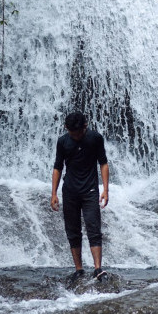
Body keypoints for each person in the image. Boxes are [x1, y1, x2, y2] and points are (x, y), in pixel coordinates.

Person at [51, 112, 110, 281]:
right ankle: (79, 270)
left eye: (78, 132)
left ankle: (98, 268)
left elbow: (103, 163)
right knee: (72, 231)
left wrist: (105, 190)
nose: (75, 136)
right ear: (66, 129)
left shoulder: (95, 138)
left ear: (85, 127)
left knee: (94, 228)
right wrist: (53, 193)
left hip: (90, 190)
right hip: (69, 191)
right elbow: (57, 167)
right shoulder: (63, 141)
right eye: (72, 133)